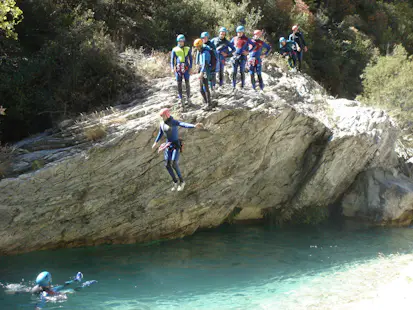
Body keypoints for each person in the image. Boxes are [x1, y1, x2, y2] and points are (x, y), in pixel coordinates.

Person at [152, 108, 203, 192]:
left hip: (176, 145)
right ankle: (175, 182)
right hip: (168, 145)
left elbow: (183, 124)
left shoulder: (173, 122)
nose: (162, 117)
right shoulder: (162, 124)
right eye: (161, 116)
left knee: (174, 163)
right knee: (167, 165)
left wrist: (193, 126)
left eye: (163, 116)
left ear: (167, 115)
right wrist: (155, 142)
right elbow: (160, 133)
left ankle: (182, 182)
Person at [31, 271, 97, 309]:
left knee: (63, 285)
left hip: (51, 291)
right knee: (71, 290)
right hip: (51, 296)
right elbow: (40, 305)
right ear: (48, 281)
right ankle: (84, 285)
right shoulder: (44, 294)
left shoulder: (40, 286)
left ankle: (76, 280)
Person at [171, 34, 193, 109]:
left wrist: (190, 67)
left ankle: (188, 98)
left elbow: (191, 58)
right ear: (178, 41)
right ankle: (181, 98)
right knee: (179, 84)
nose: (181, 43)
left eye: (182, 41)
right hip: (178, 68)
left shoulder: (187, 49)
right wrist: (172, 67)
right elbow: (172, 60)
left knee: (187, 83)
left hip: (186, 67)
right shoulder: (174, 49)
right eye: (180, 41)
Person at [230, 25, 255, 91]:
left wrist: (248, 52)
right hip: (235, 57)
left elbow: (254, 45)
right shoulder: (234, 38)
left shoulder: (246, 39)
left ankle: (243, 86)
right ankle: (233, 86)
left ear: (243, 32)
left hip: (243, 57)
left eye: (241, 32)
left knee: (242, 71)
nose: (239, 33)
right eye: (238, 32)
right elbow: (229, 45)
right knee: (234, 72)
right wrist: (231, 52)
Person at [193, 38, 214, 110]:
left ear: (200, 45)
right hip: (203, 70)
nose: (196, 48)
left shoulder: (205, 52)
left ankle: (209, 104)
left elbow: (205, 63)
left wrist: (201, 72)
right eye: (196, 47)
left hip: (205, 71)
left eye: (197, 47)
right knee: (202, 89)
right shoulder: (201, 50)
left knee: (205, 88)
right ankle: (207, 103)